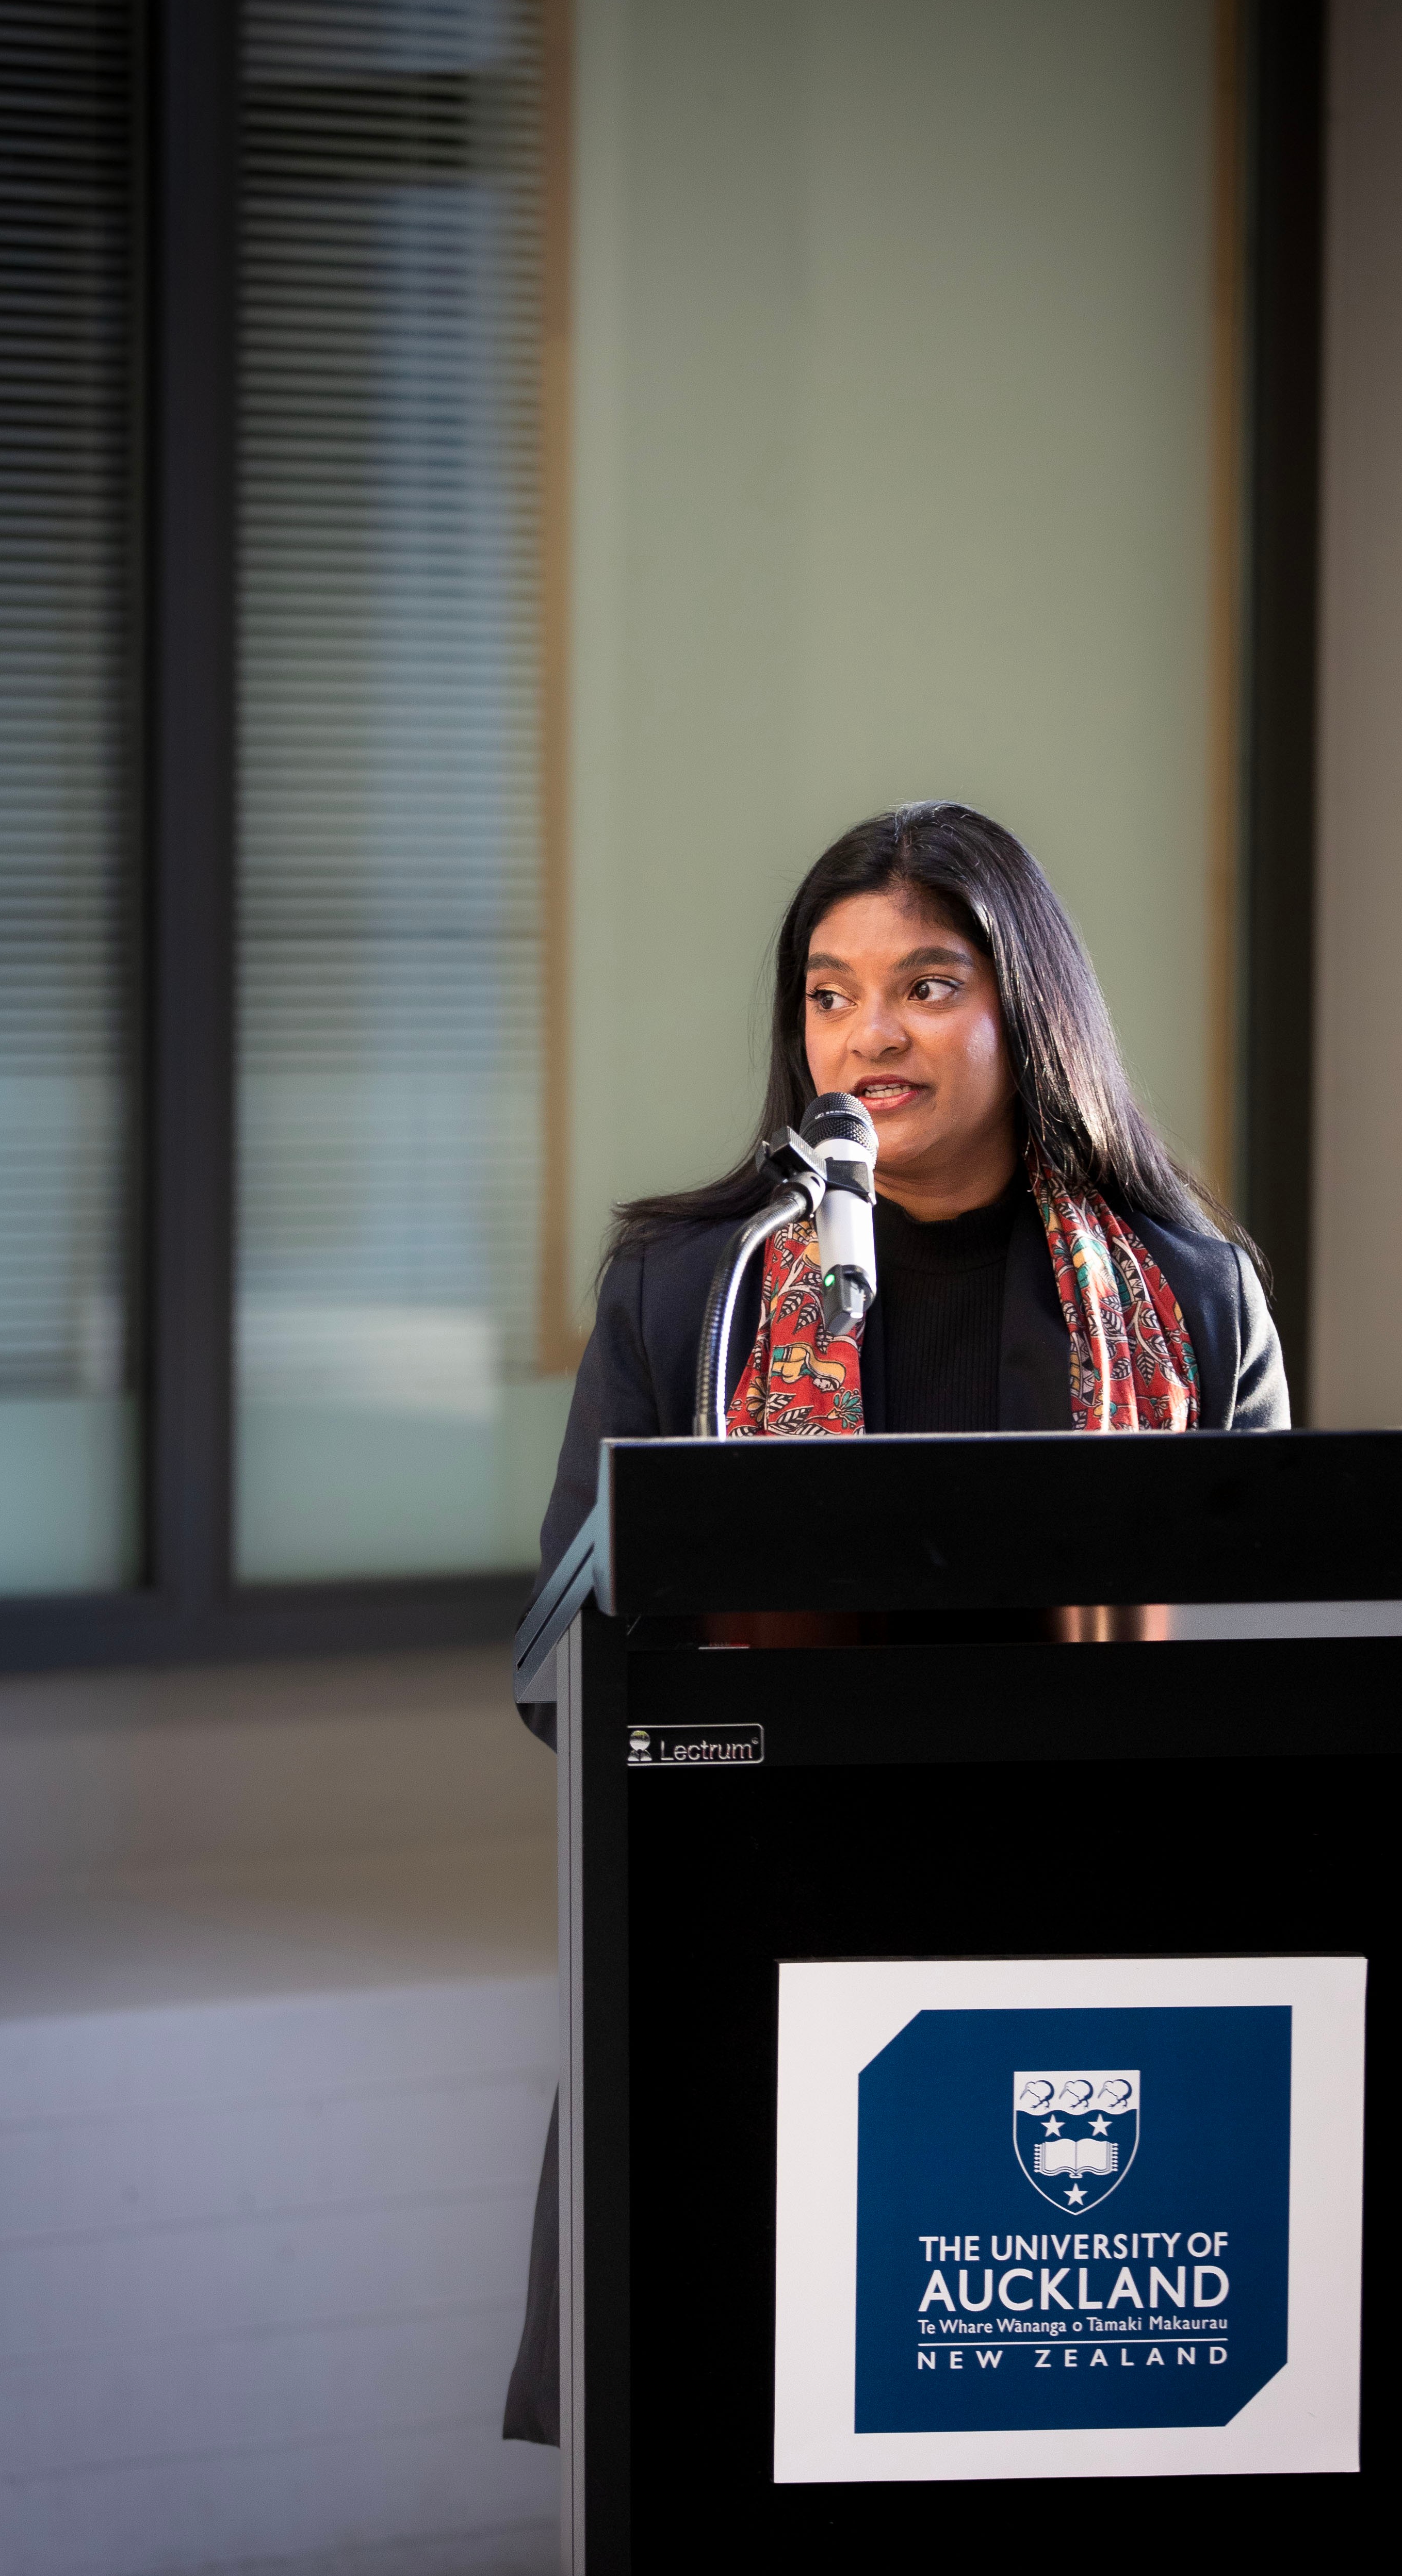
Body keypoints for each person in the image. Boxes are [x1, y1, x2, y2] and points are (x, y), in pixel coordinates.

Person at [501, 798, 1287, 2444]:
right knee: (749, 2447)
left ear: (1028, 1006)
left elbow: (1284, 1645)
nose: (871, 1033)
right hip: (764, 1919)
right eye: (828, 990)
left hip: (1095, 1929)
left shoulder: (1190, 1290)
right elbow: (564, 1662)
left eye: (926, 985)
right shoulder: (684, 1292)